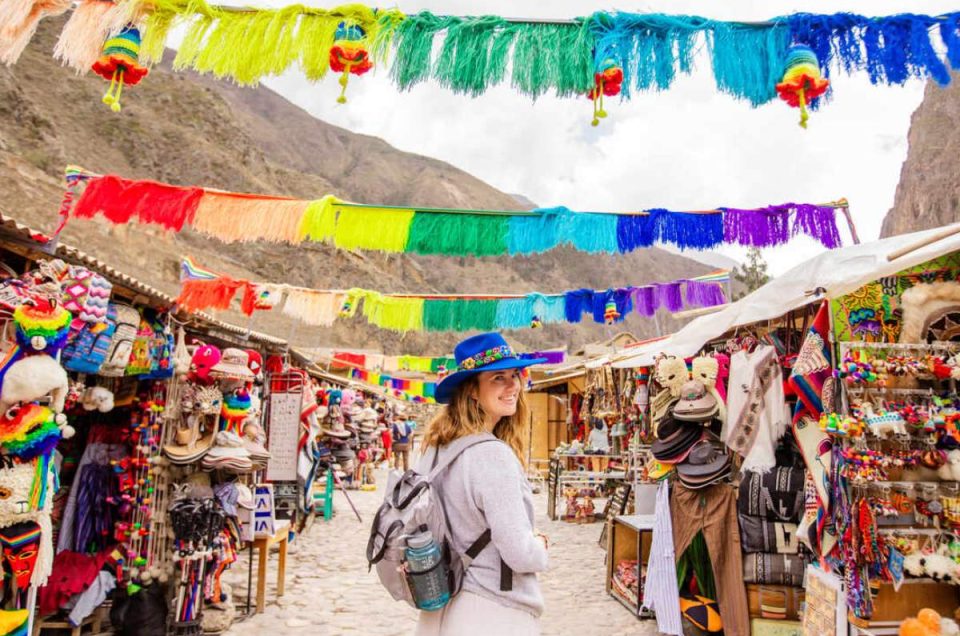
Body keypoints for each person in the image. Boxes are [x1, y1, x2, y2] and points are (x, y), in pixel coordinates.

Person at [415, 333, 549, 636]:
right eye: (498, 378)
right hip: (492, 610)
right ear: (473, 390)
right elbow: (520, 554)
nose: (513, 385)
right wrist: (540, 545)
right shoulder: (493, 455)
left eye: (514, 375)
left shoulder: (435, 449)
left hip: (443, 607)